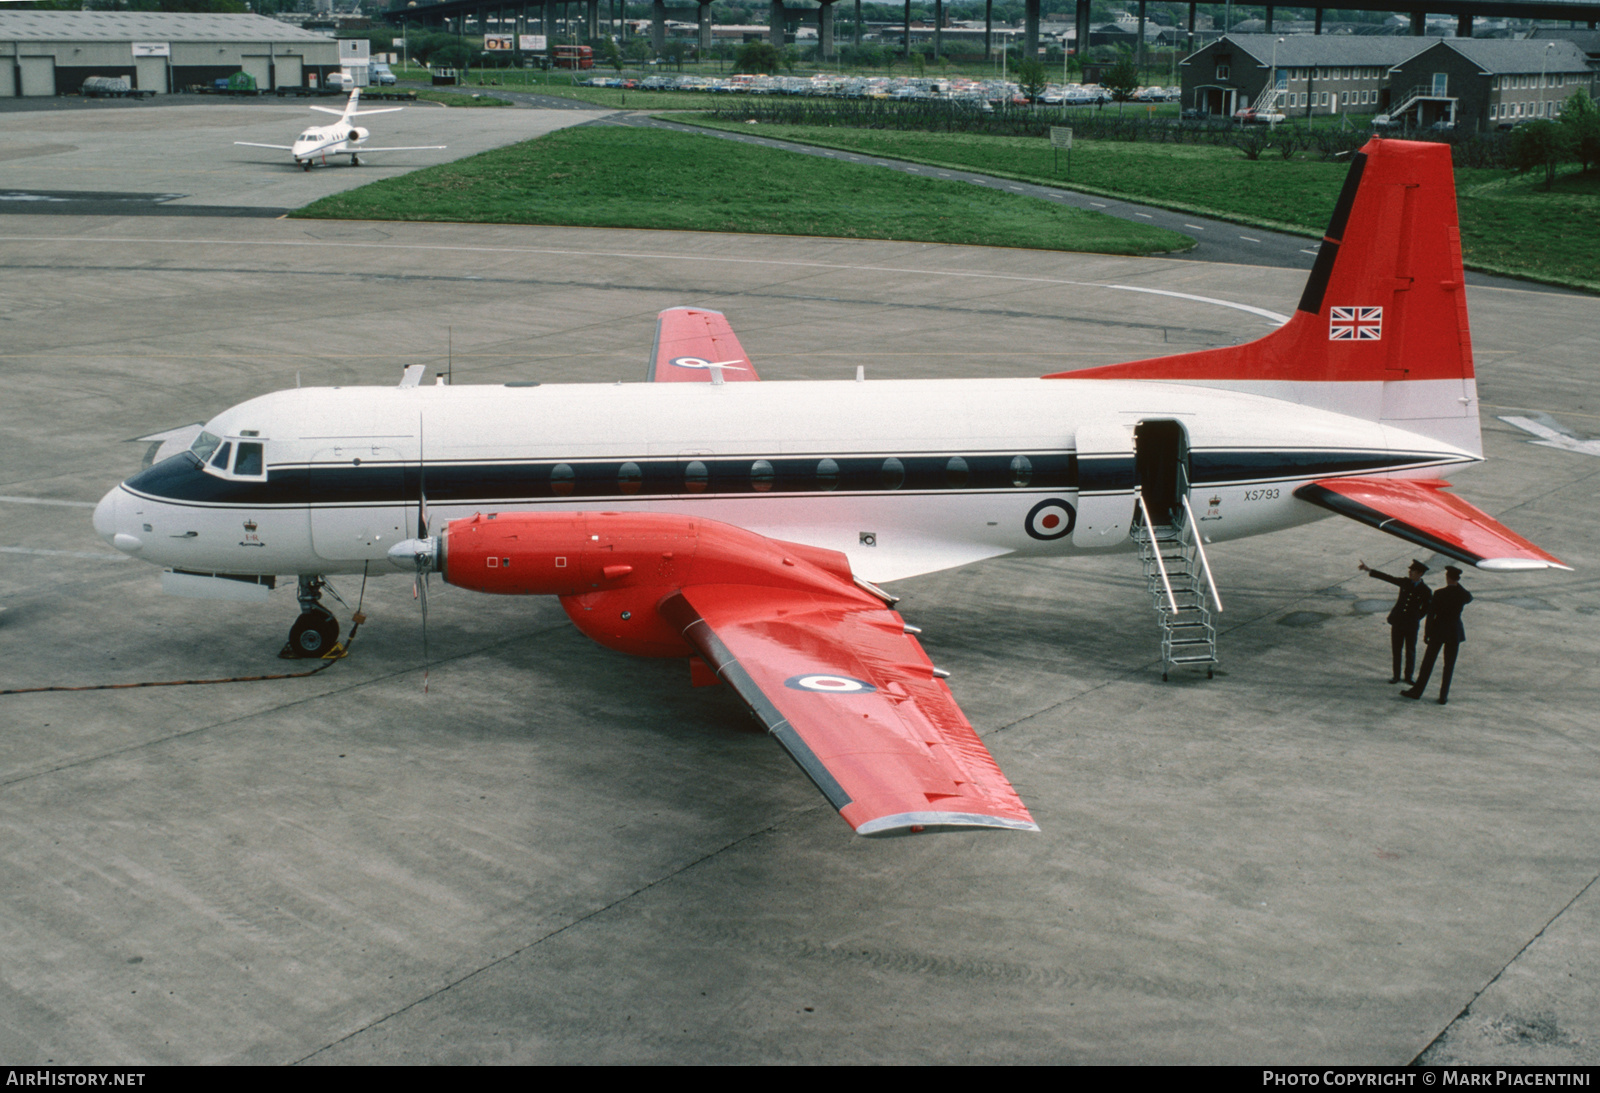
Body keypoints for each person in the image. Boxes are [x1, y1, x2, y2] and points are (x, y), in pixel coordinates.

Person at [1403, 565, 1473, 705]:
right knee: (1449, 665)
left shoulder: (1439, 593)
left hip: (1438, 631)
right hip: (1454, 632)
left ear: (1447, 577)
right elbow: (1469, 597)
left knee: (1428, 663)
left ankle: (1417, 691)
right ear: (1457, 579)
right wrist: (1457, 585)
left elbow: (1431, 615)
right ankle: (1443, 696)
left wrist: (1427, 633)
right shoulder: (1462, 595)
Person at [1359, 558, 1431, 684]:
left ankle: (1408, 676)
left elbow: (1426, 608)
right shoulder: (1405, 582)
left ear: (1420, 573)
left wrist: (1415, 617)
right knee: (1396, 650)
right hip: (1398, 622)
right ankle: (1396, 675)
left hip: (1411, 625)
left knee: (1410, 650)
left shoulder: (1425, 590)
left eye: (1413, 571)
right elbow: (1389, 578)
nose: (1410, 573)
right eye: (1410, 570)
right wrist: (1369, 570)